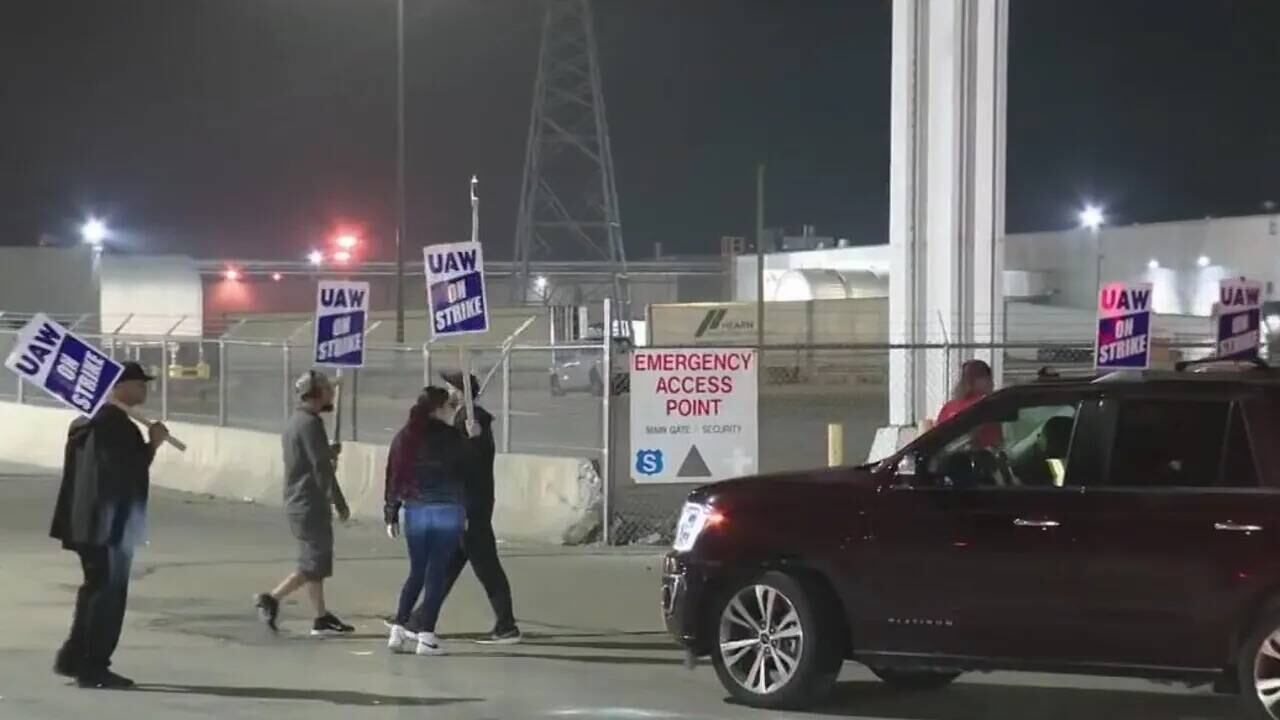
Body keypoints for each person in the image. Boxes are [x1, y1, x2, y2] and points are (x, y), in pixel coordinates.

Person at [51, 361, 169, 689]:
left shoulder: (85, 421)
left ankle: (73, 656)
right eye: (138, 384)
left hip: (84, 522)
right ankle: (94, 665)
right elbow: (125, 473)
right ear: (118, 387)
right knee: (108, 595)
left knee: (94, 589)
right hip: (109, 527)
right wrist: (152, 445)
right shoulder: (115, 425)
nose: (144, 390)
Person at [254, 370, 354, 636]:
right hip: (309, 502)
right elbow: (320, 467)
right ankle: (272, 598)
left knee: (315, 561)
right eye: (327, 389)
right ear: (316, 393)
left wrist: (329, 450)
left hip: (300, 500)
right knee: (314, 563)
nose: (331, 394)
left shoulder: (297, 422)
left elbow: (311, 456)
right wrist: (339, 501)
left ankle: (321, 616)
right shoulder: (310, 424)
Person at [385, 386, 474, 656]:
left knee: (417, 572)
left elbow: (394, 475)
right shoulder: (452, 437)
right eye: (448, 406)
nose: (450, 411)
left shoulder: (405, 436)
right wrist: (474, 439)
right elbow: (467, 472)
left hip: (416, 510)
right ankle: (426, 636)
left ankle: (398, 629)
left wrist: (391, 511)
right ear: (437, 409)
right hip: (447, 510)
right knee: (436, 573)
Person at [936, 358, 1001, 448]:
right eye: (989, 379)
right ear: (980, 380)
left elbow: (938, 435)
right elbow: (996, 441)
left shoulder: (949, 407)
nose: (992, 383)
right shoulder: (985, 406)